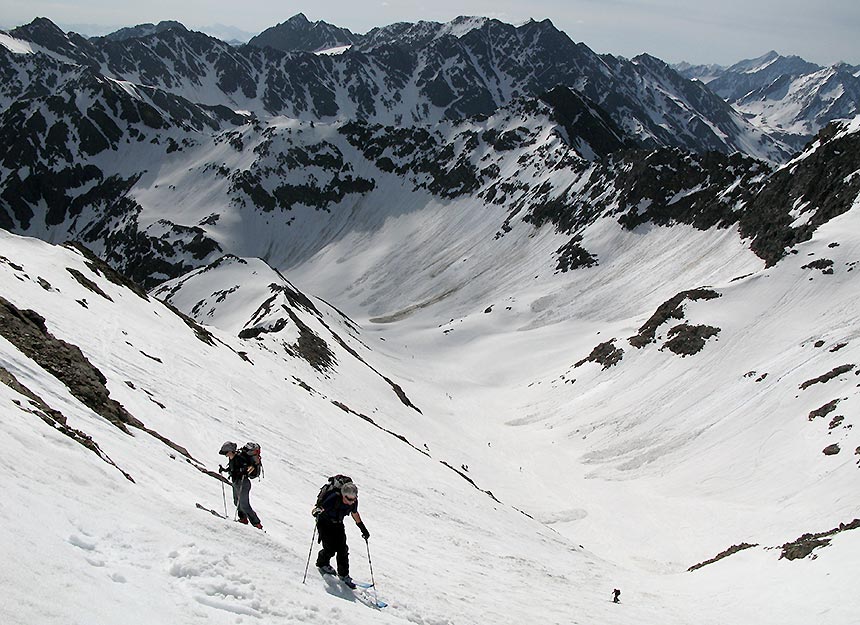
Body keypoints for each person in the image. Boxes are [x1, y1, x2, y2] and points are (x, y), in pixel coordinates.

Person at [311, 482, 370, 588]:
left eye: (354, 499)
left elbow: (355, 513)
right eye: (349, 499)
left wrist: (363, 529)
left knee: (343, 549)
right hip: (325, 523)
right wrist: (317, 512)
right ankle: (322, 563)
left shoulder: (353, 502)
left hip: (338, 523)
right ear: (343, 495)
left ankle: (344, 575)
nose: (351, 502)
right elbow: (317, 509)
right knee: (330, 548)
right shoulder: (333, 499)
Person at [219, 441, 262, 530]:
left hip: (243, 483)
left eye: (225, 453)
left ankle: (257, 524)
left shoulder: (239, 458)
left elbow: (246, 468)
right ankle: (243, 519)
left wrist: (242, 471)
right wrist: (224, 469)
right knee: (236, 502)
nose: (225, 455)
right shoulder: (232, 458)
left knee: (244, 505)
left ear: (230, 451)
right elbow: (232, 468)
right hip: (236, 482)